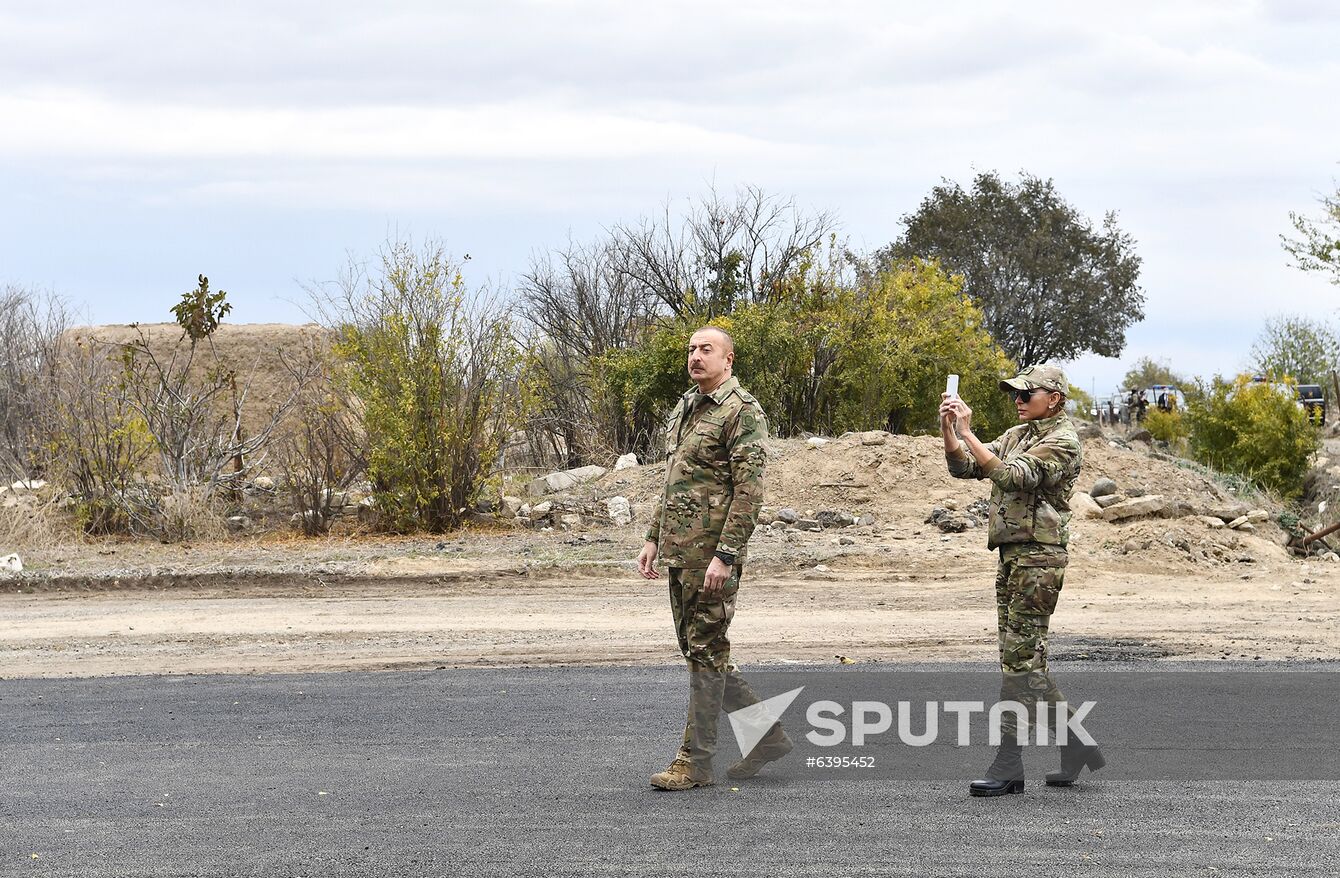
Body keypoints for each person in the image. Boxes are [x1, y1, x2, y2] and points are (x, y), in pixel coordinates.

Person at [938, 363, 1104, 797]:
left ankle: (1009, 762)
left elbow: (1013, 475)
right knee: (1025, 660)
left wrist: (970, 432)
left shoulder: (1062, 441)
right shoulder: (1018, 434)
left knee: (1019, 661)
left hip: (1040, 559)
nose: (1017, 400)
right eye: (1015, 394)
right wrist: (951, 431)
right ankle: (1077, 746)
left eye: (1025, 394)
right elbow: (966, 469)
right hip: (1014, 555)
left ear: (1054, 398)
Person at [637, 326, 790, 791]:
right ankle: (766, 736)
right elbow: (674, 479)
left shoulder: (742, 412)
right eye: (691, 349)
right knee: (701, 649)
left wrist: (726, 555)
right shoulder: (686, 406)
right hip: (680, 551)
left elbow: (749, 491)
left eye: (707, 349)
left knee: (705, 650)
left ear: (729, 359)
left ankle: (695, 761)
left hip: (712, 556)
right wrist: (652, 537)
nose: (696, 357)